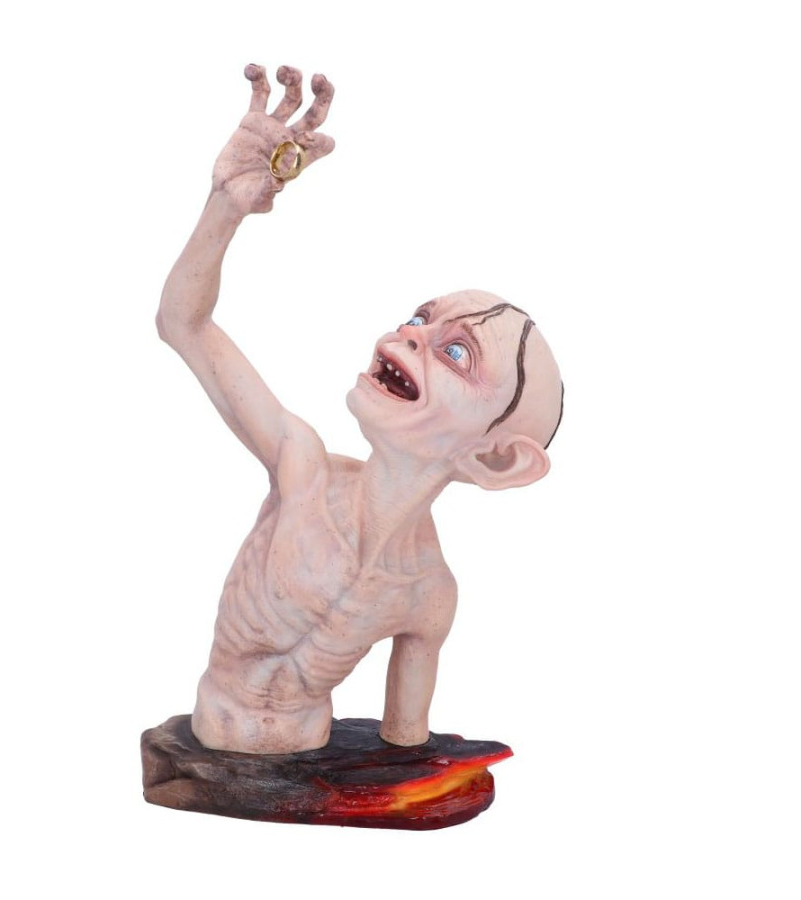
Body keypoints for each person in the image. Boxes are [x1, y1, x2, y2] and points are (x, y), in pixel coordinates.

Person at [156, 64, 563, 754]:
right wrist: (224, 209)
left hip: (310, 754)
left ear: (496, 460)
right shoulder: (302, 467)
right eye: (420, 318)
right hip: (207, 738)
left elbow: (407, 743)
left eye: (457, 352)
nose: (410, 335)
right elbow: (182, 324)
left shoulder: (427, 594)